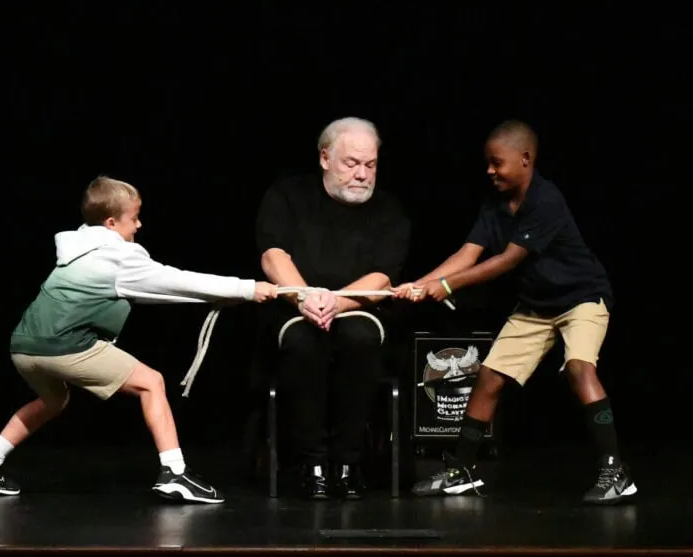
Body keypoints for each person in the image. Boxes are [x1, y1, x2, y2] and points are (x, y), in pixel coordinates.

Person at [0, 176, 277, 503]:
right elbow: (174, 281)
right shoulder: (118, 256)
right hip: (63, 347)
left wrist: (227, 296)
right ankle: (175, 474)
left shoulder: (78, 248)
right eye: (134, 218)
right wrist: (248, 288)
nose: (139, 225)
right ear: (111, 222)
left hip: (23, 346)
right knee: (151, 382)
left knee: (53, 400)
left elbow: (149, 292)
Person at [394, 120, 637, 504]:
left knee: (579, 368)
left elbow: (508, 260)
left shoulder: (546, 200)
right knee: (489, 378)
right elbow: (468, 253)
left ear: (525, 159)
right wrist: (421, 285)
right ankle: (462, 471)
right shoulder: (494, 205)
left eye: (497, 163)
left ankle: (614, 471)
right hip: (537, 306)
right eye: (488, 164)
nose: (490, 171)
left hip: (582, 299)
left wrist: (445, 287)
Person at [255, 117, 410, 499]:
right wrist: (306, 297)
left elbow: (382, 277)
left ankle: (347, 462)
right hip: (296, 304)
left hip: (359, 307)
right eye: (351, 164)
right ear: (325, 158)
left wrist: (335, 302)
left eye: (370, 165)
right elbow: (273, 255)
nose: (362, 174)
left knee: (358, 338)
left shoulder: (389, 210)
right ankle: (312, 463)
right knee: (303, 344)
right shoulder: (287, 196)